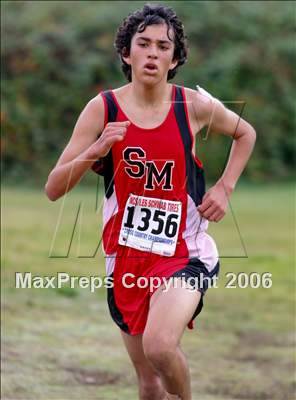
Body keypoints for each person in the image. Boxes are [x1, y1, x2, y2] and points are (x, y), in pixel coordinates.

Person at [45, 4, 256, 400]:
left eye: (163, 46)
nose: (153, 53)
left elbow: (246, 133)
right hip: (125, 259)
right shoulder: (102, 109)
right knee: (148, 383)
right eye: (143, 43)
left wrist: (225, 187)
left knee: (160, 347)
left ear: (174, 59)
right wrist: (99, 147)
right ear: (127, 53)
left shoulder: (193, 105)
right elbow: (54, 187)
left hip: (184, 253)